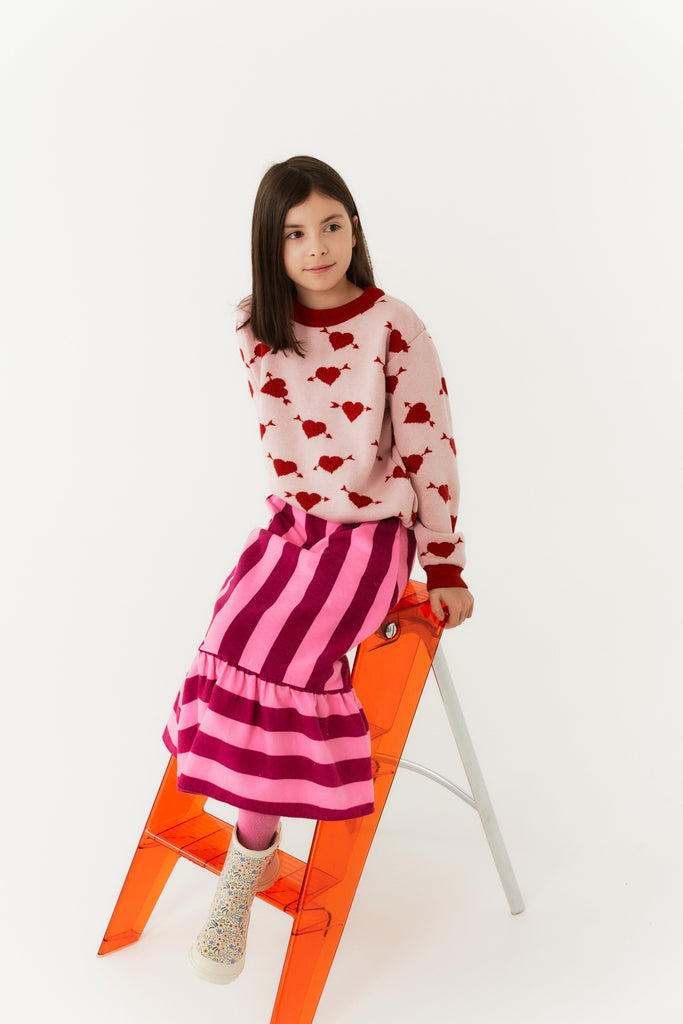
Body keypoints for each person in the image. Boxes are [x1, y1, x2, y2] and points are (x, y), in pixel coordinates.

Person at [163, 155, 474, 984]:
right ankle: (254, 839)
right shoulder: (254, 327)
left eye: (331, 225)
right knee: (232, 632)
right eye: (294, 233)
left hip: (370, 538)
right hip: (293, 527)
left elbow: (430, 447)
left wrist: (445, 562)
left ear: (355, 229)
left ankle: (245, 860)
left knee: (283, 655)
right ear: (269, 245)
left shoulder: (395, 326)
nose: (317, 246)